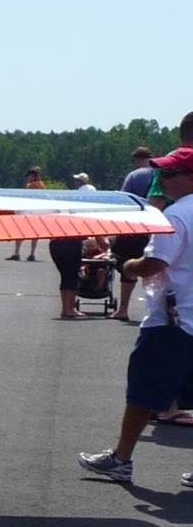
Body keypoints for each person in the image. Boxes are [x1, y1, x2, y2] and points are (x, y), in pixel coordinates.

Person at [80, 145, 193, 485]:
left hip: (171, 320)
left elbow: (156, 263)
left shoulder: (176, 216)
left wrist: (128, 265)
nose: (162, 179)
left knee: (142, 391)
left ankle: (121, 459)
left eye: (169, 174)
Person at [111, 149, 156, 320]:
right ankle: (155, 310)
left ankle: (123, 309)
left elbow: (125, 200)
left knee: (127, 266)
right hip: (158, 224)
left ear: (137, 160)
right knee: (157, 267)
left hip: (135, 225)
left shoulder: (134, 176)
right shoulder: (161, 174)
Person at [8, 169, 43, 260]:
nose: (28, 178)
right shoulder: (41, 185)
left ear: (33, 176)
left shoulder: (31, 185)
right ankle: (32, 253)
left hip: (28, 211)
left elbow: (27, 198)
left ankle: (17, 253)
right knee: (35, 234)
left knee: (20, 231)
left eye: (29, 176)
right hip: (37, 211)